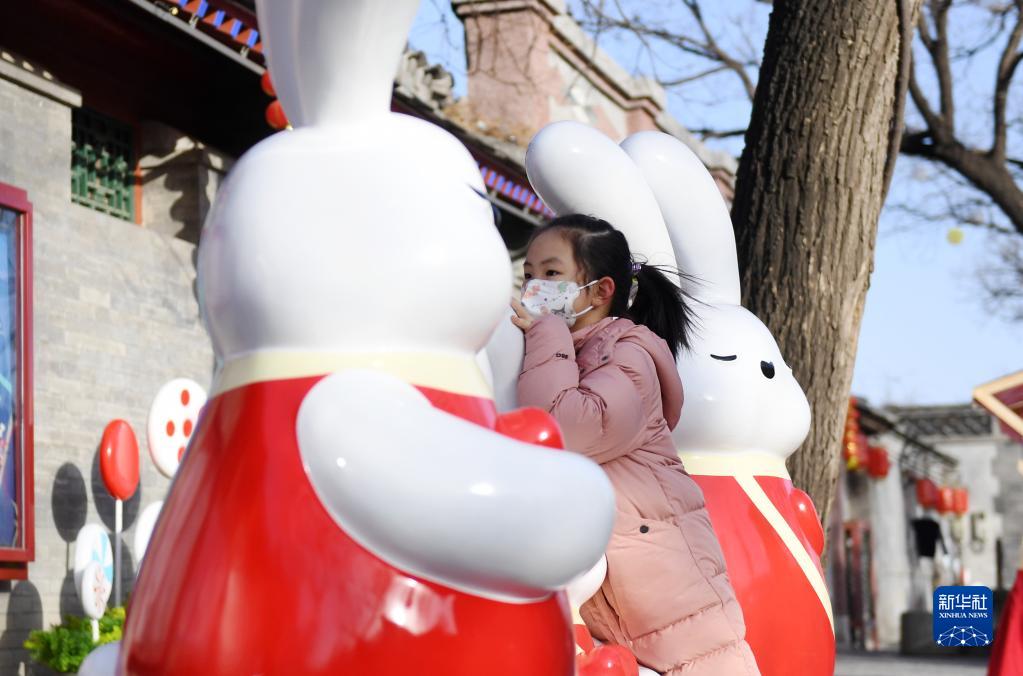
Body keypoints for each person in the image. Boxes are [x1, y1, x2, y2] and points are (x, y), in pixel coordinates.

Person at [511, 215, 760, 676]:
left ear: (601, 291)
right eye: (528, 275)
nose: (534, 287)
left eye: (551, 274)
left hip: (670, 602)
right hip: (629, 606)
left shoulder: (627, 354)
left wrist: (547, 334)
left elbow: (565, 428)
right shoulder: (572, 353)